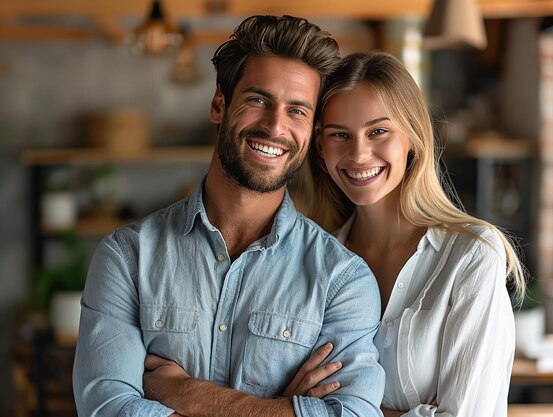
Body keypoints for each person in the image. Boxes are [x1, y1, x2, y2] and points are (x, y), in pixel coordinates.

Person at [72, 16, 385, 417]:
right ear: (219, 104)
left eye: (297, 111)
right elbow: (108, 409)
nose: (275, 126)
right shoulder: (127, 257)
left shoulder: (342, 281)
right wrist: (279, 409)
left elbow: (355, 413)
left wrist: (188, 394)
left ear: (312, 131)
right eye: (258, 100)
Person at [304, 51, 526, 417]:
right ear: (320, 148)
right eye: (339, 135)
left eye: (378, 131)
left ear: (413, 137)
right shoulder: (315, 262)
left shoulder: (471, 256)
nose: (359, 154)